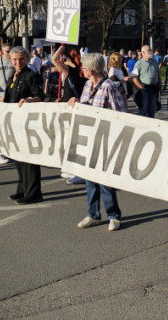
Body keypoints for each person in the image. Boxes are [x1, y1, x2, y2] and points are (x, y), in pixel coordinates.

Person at [68, 53, 127, 231]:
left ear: (91, 70)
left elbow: (119, 112)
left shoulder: (108, 86)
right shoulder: (87, 84)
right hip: (89, 138)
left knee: (104, 180)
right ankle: (93, 214)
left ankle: (113, 216)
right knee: (89, 179)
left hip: (104, 138)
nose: (82, 70)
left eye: (84, 68)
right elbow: (86, 106)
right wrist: (76, 101)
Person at [0, 47, 45, 204]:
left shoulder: (31, 75)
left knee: (29, 159)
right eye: (15, 59)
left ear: (27, 59)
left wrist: (29, 100)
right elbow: (8, 99)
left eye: (21, 59)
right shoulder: (13, 75)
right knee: (18, 157)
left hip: (27, 122)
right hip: (14, 122)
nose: (18, 62)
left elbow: (40, 96)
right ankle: (22, 189)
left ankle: (34, 193)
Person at [132, 44, 160, 118]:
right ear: (143, 52)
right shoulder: (138, 63)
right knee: (143, 110)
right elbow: (133, 76)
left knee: (152, 109)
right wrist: (140, 86)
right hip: (144, 89)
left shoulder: (154, 62)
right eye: (149, 50)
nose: (151, 51)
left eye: (151, 50)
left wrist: (160, 87)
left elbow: (158, 74)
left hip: (153, 88)